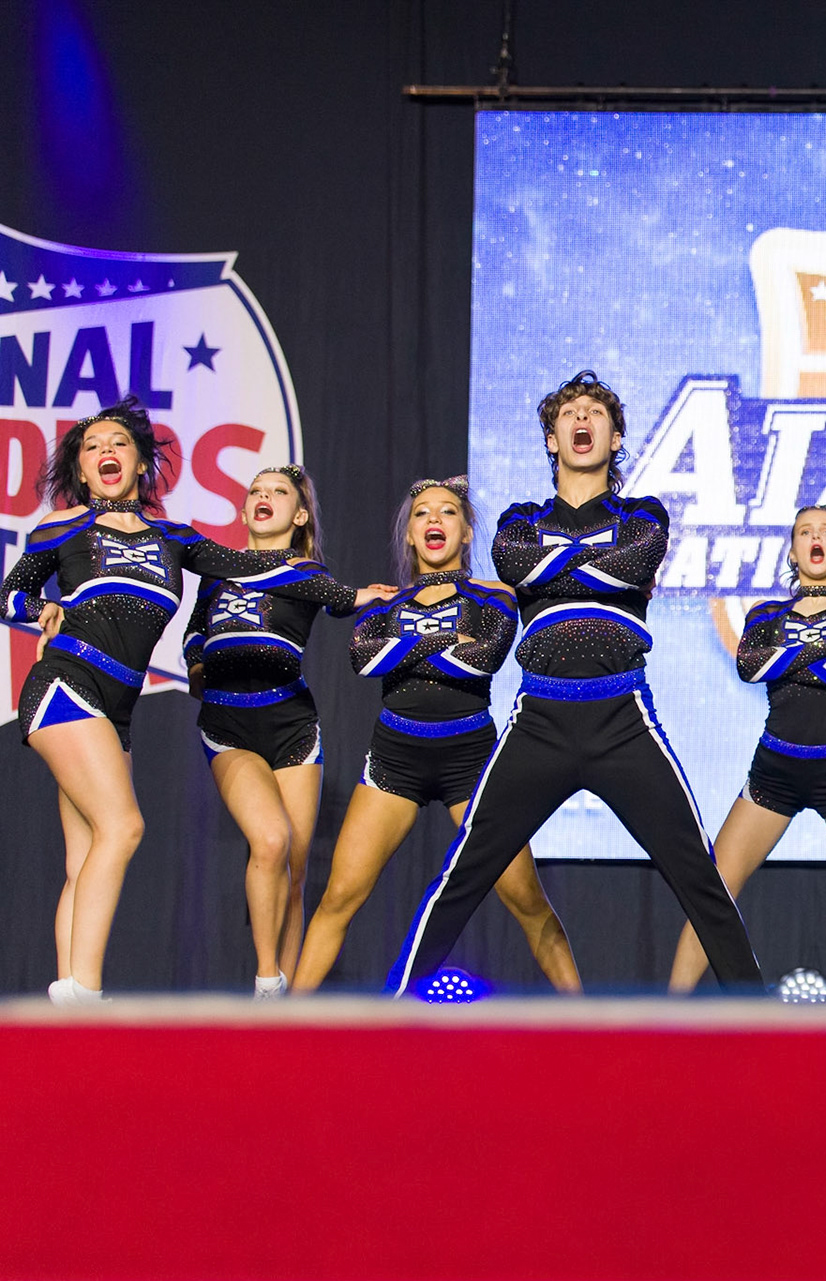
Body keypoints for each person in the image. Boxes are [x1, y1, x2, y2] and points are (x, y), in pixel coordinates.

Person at [386, 372, 761, 996]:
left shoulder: (643, 514)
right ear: (551, 439)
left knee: (701, 879)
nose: (581, 419)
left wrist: (553, 569)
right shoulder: (520, 518)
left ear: (615, 440)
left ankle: (766, 1028)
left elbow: (631, 560)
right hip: (539, 720)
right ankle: (390, 1012)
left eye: (595, 413)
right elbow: (515, 562)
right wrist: (599, 566)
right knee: (462, 875)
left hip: (624, 719)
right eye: (569, 413)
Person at [2, 397, 384, 1003]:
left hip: (118, 707)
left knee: (87, 857)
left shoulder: (175, 538)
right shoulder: (63, 526)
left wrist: (348, 596)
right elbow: (8, 594)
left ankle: (68, 1010)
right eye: (92, 447)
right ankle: (84, 996)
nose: (105, 452)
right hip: (67, 682)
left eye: (119, 443)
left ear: (141, 463)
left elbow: (255, 568)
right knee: (123, 827)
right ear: (82, 471)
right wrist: (38, 606)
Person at [293, 478, 580, 993]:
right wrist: (449, 638)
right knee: (338, 897)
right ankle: (282, 1026)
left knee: (527, 902)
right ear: (409, 534)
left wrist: (407, 645)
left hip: (470, 762)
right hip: (393, 762)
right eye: (422, 513)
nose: (433, 520)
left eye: (447, 512)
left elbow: (483, 659)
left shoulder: (494, 594)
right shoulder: (384, 601)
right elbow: (365, 660)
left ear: (466, 531)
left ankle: (588, 1025)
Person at [666, 504, 826, 995]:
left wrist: (788, 657)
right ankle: (665, 1018)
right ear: (793, 551)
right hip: (772, 773)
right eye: (805, 532)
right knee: (714, 894)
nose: (816, 538)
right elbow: (750, 667)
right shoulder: (765, 612)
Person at [184, 466, 371, 996]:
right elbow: (195, 633)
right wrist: (197, 665)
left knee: (295, 868)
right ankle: (267, 984)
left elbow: (341, 598)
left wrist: (373, 596)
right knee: (270, 840)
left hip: (292, 726)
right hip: (228, 724)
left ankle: (288, 1007)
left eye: (279, 492)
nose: (264, 497)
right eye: (256, 492)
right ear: (244, 511)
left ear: (300, 514)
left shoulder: (306, 573)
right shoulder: (218, 572)